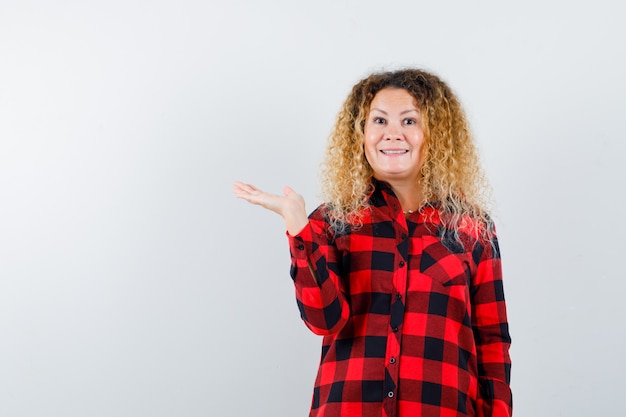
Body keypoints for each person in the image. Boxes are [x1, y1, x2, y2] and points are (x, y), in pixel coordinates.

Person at [233, 68, 512, 417]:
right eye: (379, 121)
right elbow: (324, 320)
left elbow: (492, 346)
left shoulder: (471, 229)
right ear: (360, 135)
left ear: (436, 135)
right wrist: (298, 227)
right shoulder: (333, 222)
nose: (393, 134)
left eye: (409, 121)